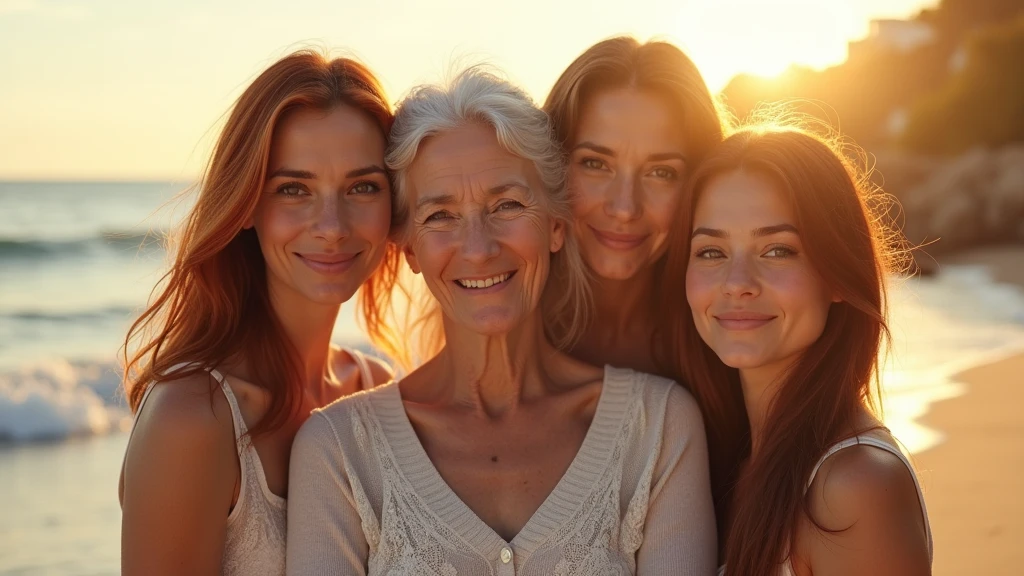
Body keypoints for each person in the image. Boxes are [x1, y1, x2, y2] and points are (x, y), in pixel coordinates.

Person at [286, 67, 717, 575]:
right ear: (409, 249)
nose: (479, 248)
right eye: (440, 216)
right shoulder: (338, 451)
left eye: (507, 204)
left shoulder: (659, 426)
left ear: (556, 225)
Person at [118, 49, 399, 576]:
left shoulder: (376, 390)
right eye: (294, 189)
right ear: (247, 205)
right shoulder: (193, 418)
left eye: (363, 187)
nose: (332, 225)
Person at [666, 122, 933, 575]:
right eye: (711, 251)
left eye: (777, 251)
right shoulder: (724, 462)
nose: (737, 284)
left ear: (836, 275)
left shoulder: (856, 487)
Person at [542, 36, 727, 377]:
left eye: (661, 172)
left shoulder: (727, 336)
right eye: (595, 164)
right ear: (551, 164)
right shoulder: (505, 321)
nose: (625, 208)